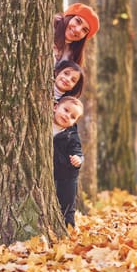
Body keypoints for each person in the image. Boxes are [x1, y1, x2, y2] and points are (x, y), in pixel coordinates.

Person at [53, 96, 84, 227]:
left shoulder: (71, 134)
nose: (67, 116)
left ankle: (69, 227)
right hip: (50, 169)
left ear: (74, 123)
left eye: (72, 117)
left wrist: (78, 159)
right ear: (55, 107)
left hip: (67, 173)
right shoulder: (43, 121)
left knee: (67, 202)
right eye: (66, 110)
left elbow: (77, 149)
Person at [54, 2, 100, 67]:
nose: (77, 30)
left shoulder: (72, 56)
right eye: (78, 21)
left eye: (84, 30)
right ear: (69, 17)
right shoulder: (46, 29)